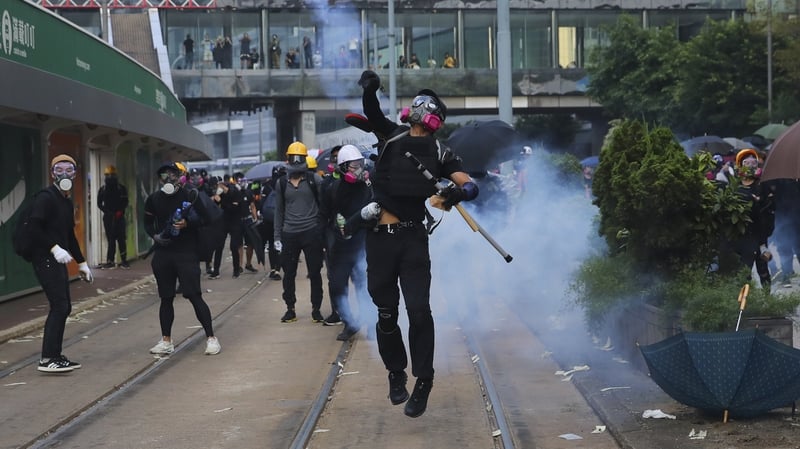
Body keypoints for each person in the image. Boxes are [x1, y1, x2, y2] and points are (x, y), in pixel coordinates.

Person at [357, 70, 479, 417]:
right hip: (380, 241)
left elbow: (469, 185)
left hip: (413, 241)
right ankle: (396, 374)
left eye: (423, 104)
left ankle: (423, 380)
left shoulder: (440, 151)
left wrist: (457, 192)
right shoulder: (391, 136)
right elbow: (372, 112)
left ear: (432, 115)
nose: (416, 107)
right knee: (386, 313)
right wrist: (371, 87)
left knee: (420, 312)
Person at [144, 162, 221, 356]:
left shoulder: (190, 195)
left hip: (186, 252)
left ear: (180, 176)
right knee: (166, 297)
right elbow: (146, 222)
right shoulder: (154, 199)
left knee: (194, 295)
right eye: (164, 175)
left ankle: (211, 338)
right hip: (164, 252)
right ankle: (166, 341)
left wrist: (188, 223)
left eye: (172, 174)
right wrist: (155, 236)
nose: (168, 178)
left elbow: (207, 218)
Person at [29, 154, 93, 373]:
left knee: (63, 306)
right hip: (45, 259)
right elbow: (34, 227)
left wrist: (82, 262)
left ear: (75, 174)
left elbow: (69, 235)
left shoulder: (65, 201)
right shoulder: (46, 198)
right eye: (59, 169)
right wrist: (53, 248)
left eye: (69, 170)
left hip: (55, 259)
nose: (64, 174)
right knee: (60, 306)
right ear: (52, 173)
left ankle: (54, 355)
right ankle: (48, 358)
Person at [319, 145, 375, 341]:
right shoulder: (331, 189)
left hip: (363, 244)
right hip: (341, 246)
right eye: (353, 166)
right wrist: (324, 240)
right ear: (342, 168)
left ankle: (371, 323)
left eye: (359, 164)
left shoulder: (368, 186)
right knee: (336, 286)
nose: (357, 169)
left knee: (364, 286)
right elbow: (324, 216)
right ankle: (349, 322)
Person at [274, 141, 326, 323]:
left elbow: (324, 205)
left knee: (314, 272)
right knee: (289, 273)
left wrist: (320, 229)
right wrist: (277, 237)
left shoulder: (314, 180)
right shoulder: (281, 183)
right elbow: (278, 211)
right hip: (289, 234)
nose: (296, 162)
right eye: (293, 158)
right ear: (288, 159)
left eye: (299, 158)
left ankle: (316, 308)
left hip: (311, 232)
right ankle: (290, 308)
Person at [731, 149, 775, 292]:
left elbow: (771, 207)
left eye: (753, 163)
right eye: (746, 163)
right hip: (742, 236)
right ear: (740, 165)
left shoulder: (762, 185)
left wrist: (761, 201)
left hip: (759, 234)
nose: (750, 166)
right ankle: (745, 302)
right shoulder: (735, 186)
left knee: (763, 269)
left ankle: (768, 299)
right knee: (744, 272)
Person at [97, 165, 130, 269]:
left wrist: (120, 211)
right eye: (108, 175)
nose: (110, 177)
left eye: (112, 175)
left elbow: (125, 201)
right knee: (110, 239)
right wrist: (107, 212)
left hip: (119, 217)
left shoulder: (121, 188)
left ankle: (124, 260)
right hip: (108, 217)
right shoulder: (102, 189)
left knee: (121, 239)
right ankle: (110, 260)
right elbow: (99, 204)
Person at [218, 174, 245, 278]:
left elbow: (234, 207)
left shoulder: (235, 191)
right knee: (219, 245)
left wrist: (223, 204)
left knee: (234, 246)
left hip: (235, 222)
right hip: (225, 222)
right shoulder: (221, 194)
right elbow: (218, 205)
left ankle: (236, 269)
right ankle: (216, 269)